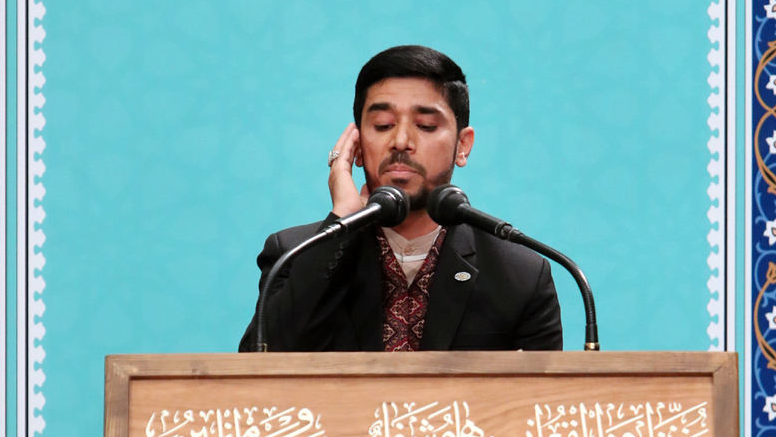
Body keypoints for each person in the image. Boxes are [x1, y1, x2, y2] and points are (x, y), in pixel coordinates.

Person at [239, 45, 562, 352]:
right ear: (357, 146)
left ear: (463, 145)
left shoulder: (520, 275)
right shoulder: (295, 254)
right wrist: (343, 223)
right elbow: (258, 369)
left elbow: (545, 392)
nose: (401, 141)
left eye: (426, 125)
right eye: (383, 125)